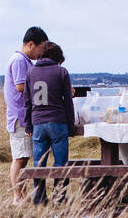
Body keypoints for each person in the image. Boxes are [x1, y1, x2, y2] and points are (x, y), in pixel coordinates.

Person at [23, 41, 76, 207]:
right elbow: (68, 101)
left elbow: (27, 102)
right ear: (57, 58)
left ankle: (39, 198)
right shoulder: (61, 72)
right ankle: (60, 197)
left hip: (38, 122)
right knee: (61, 163)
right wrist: (71, 125)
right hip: (57, 122)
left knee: (39, 163)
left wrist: (28, 125)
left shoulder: (31, 72)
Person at [4, 26, 48, 205]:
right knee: (20, 158)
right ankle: (17, 197)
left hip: (24, 117)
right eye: (40, 48)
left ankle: (21, 195)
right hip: (19, 117)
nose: (41, 53)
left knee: (24, 157)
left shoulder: (26, 61)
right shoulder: (19, 61)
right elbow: (21, 86)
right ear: (31, 44)